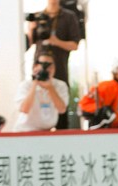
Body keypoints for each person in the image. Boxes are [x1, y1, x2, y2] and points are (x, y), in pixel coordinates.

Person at [27, 0, 82, 129]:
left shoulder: (69, 16)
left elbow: (75, 45)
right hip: (39, 67)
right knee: (36, 108)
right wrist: (31, 28)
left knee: (61, 112)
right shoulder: (38, 16)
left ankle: (62, 138)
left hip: (60, 69)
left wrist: (56, 41)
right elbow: (29, 43)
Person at [13, 50, 69, 132]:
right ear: (34, 67)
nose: (47, 69)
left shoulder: (60, 85)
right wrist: (35, 83)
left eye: (49, 65)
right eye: (43, 64)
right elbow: (24, 109)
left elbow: (62, 109)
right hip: (25, 130)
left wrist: (50, 88)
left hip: (47, 131)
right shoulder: (25, 85)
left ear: (54, 68)